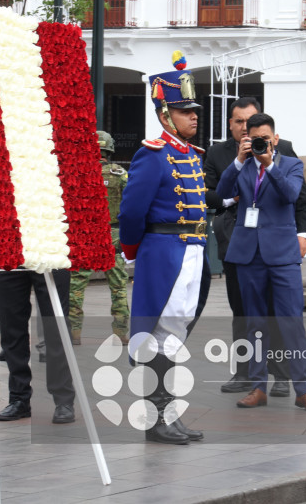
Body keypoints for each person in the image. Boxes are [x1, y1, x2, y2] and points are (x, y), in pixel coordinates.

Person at [118, 52, 206, 445]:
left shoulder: (190, 154)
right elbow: (132, 210)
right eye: (185, 111)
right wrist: (132, 249)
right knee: (159, 334)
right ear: (165, 114)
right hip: (164, 251)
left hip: (191, 250)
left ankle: (169, 414)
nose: (194, 117)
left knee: (176, 333)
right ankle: (156, 420)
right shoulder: (153, 154)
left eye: (194, 111)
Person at [216, 112, 306, 414]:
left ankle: (304, 390)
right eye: (254, 139)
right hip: (248, 255)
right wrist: (239, 161)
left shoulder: (291, 165)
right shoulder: (242, 166)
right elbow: (222, 193)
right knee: (255, 323)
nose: (261, 143)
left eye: (265, 138)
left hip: (282, 256)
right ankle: (258, 387)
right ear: (245, 139)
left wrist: (269, 165)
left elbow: (291, 195)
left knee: (292, 323)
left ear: (275, 138)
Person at [68, 131, 130, 346]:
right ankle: (120, 333)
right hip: (113, 236)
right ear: (110, 149)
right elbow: (130, 205)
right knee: (118, 287)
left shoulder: (78, 173)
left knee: (76, 287)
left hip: (86, 235)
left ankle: (74, 333)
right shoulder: (120, 174)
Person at [0, 269, 76, 424]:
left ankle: (63, 399)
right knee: (11, 328)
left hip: (51, 259)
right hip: (9, 258)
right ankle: (18, 398)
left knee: (57, 328)